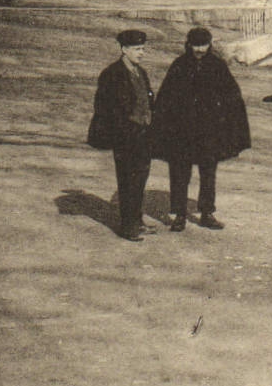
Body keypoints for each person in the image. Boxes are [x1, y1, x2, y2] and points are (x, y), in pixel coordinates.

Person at [151, 27, 251, 231]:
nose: (200, 49)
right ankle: (179, 214)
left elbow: (232, 96)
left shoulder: (217, 66)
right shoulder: (179, 66)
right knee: (179, 173)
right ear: (189, 45)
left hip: (208, 132)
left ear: (209, 45)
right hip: (182, 132)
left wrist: (227, 123)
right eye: (196, 45)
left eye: (203, 45)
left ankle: (207, 213)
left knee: (208, 173)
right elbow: (165, 98)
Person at [86, 29, 157, 242]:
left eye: (143, 49)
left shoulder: (140, 72)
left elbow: (147, 99)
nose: (141, 53)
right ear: (124, 49)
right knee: (127, 180)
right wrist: (123, 130)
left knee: (140, 179)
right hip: (125, 136)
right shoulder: (112, 74)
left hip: (143, 134)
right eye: (137, 49)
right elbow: (104, 107)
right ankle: (128, 226)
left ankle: (137, 220)